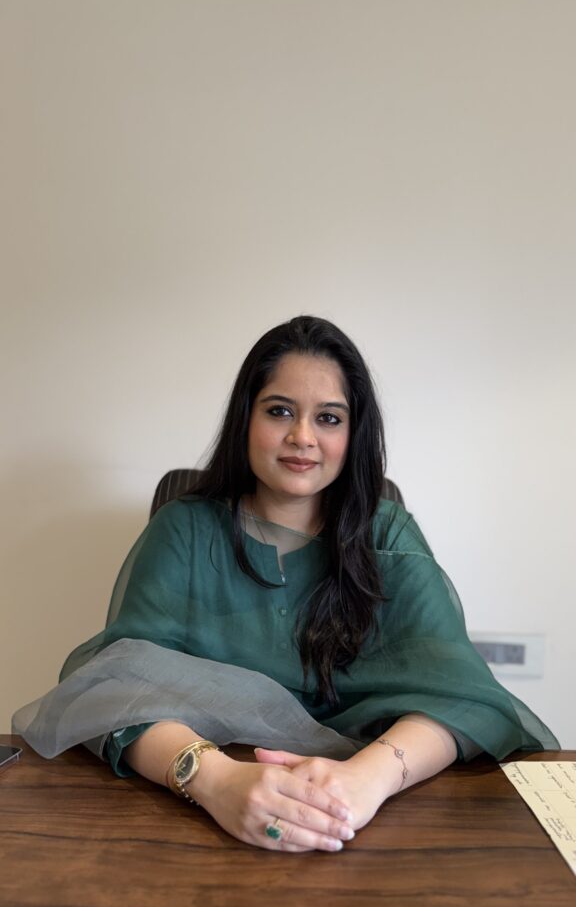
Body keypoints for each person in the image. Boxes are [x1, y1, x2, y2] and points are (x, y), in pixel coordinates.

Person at [13, 315, 558, 853]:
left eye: (329, 418)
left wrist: (366, 779)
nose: (302, 437)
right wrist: (215, 780)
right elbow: (114, 690)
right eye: (279, 411)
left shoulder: (387, 533)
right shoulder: (184, 530)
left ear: (353, 433)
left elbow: (465, 698)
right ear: (245, 419)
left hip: (368, 816)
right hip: (201, 812)